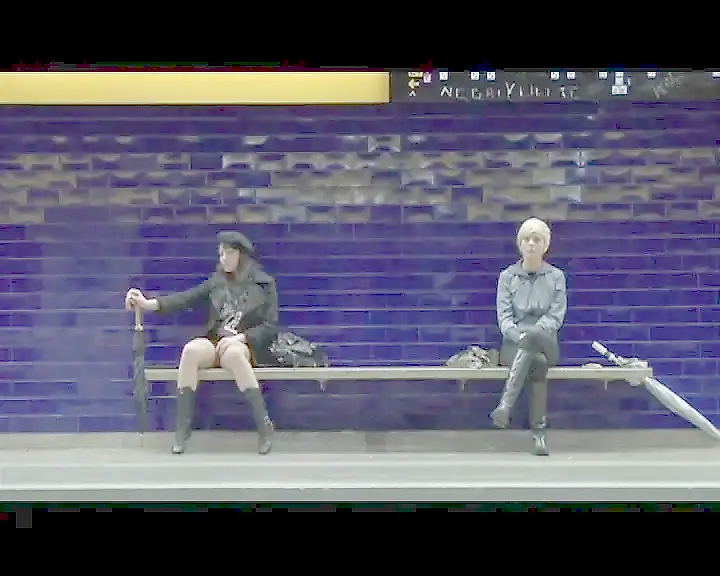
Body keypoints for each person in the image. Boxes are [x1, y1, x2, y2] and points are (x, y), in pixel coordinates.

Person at [125, 231, 277, 456]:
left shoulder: (264, 284)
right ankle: (182, 430)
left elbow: (270, 326)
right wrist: (149, 304)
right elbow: (186, 298)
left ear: (241, 255)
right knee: (191, 351)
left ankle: (264, 427)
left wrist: (240, 338)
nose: (223, 258)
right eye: (221, 254)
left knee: (234, 354)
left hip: (243, 343)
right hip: (216, 341)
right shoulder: (217, 282)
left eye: (229, 253)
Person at [491, 217, 567, 456]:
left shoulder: (556, 277)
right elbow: (504, 319)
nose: (531, 244)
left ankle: (506, 405)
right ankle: (539, 434)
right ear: (520, 244)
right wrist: (520, 335)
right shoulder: (507, 277)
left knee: (536, 341)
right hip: (514, 345)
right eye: (526, 239)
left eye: (537, 239)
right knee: (537, 362)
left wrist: (533, 332)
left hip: (546, 342)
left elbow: (555, 317)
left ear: (545, 245)